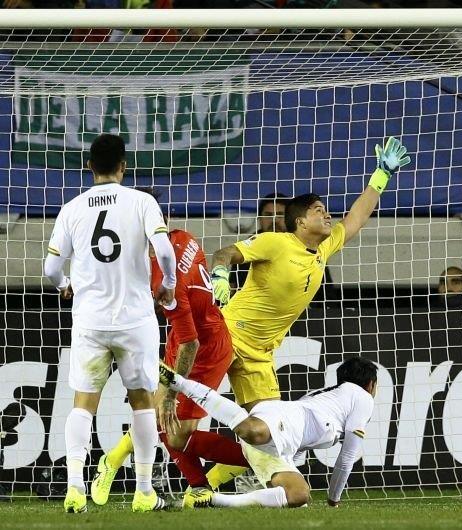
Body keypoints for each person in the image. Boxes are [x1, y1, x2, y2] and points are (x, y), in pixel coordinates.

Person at [203, 136, 409, 492]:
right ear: (299, 222)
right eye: (318, 211)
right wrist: (220, 274)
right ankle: (116, 463)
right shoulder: (276, 242)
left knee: (268, 433)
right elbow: (223, 253)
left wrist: (381, 176)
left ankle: (206, 485)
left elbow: (356, 217)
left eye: (326, 209)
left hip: (260, 352)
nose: (327, 214)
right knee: (185, 407)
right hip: (227, 333)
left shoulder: (323, 248)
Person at [89, 190, 250, 510]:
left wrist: (175, 391)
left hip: (203, 350)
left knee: (173, 430)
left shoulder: (165, 278)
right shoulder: (184, 237)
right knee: (157, 417)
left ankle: (257, 455)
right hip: (193, 336)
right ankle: (121, 464)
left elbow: (190, 340)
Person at [43, 134, 176, 513]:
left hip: (91, 320)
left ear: (90, 166)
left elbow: (51, 267)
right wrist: (168, 285)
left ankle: (74, 488)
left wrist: (65, 285)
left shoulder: (72, 208)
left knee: (82, 405)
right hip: (135, 320)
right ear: (124, 166)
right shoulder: (142, 201)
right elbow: (164, 250)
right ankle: (145, 491)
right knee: (143, 404)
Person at [158, 356, 376, 508]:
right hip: (280, 423)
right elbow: (347, 458)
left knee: (299, 494)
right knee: (252, 431)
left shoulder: (325, 396)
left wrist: (289, 464)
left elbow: (300, 443)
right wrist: (333, 499)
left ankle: (211, 499)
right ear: (371, 384)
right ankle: (179, 382)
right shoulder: (362, 397)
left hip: (279, 434)